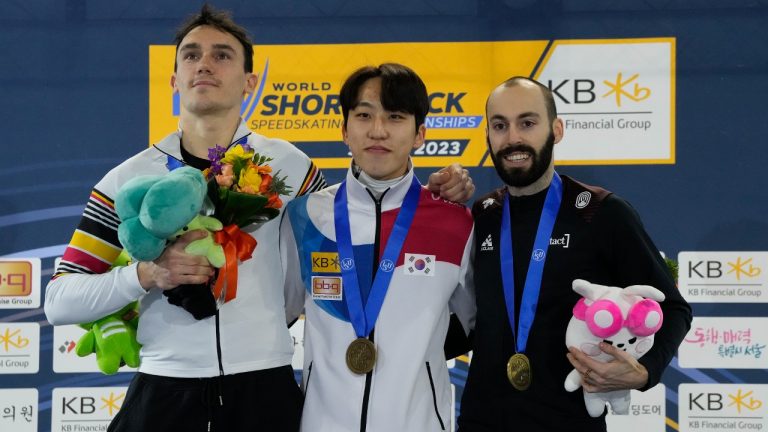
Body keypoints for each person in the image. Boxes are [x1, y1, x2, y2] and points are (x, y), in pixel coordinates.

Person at [43, 5, 474, 432]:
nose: (204, 65)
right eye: (191, 55)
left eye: (222, 55)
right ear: (174, 79)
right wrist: (146, 273)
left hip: (264, 389)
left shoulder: (292, 167)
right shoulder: (127, 179)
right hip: (164, 388)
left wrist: (439, 190)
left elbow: (363, 229)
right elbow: (60, 300)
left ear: (250, 81)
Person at [457, 76, 692, 431]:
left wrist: (645, 371)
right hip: (483, 421)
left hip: (570, 422)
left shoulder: (601, 212)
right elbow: (468, 320)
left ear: (557, 129)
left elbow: (674, 308)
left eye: (528, 122)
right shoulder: (482, 215)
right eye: (500, 125)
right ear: (487, 135)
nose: (513, 138)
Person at [281, 63, 475, 432]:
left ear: (419, 133)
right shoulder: (305, 216)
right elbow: (278, 317)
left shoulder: (455, 224)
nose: (378, 130)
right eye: (364, 115)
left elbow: (471, 324)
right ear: (344, 129)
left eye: (395, 116)